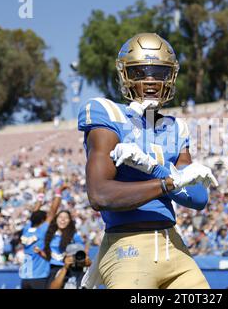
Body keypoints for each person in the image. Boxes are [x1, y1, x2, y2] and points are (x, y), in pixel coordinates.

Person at [78, 33, 218, 289]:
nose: (151, 80)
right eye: (141, 72)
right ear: (125, 74)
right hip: (127, 246)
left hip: (173, 247)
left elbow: (198, 198)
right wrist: (167, 183)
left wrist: (153, 169)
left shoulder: (176, 127)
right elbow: (99, 195)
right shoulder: (106, 112)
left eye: (160, 72)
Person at [18, 185, 66, 289]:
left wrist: (40, 196)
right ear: (42, 221)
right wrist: (59, 192)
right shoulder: (41, 231)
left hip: (25, 278)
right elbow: (52, 212)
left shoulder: (26, 230)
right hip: (39, 277)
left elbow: (34, 213)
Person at [43, 210, 84, 287]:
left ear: (69, 221)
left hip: (70, 270)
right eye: (60, 217)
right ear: (56, 219)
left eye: (66, 218)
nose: (63, 220)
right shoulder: (50, 234)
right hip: (52, 269)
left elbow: (82, 252)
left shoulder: (75, 236)